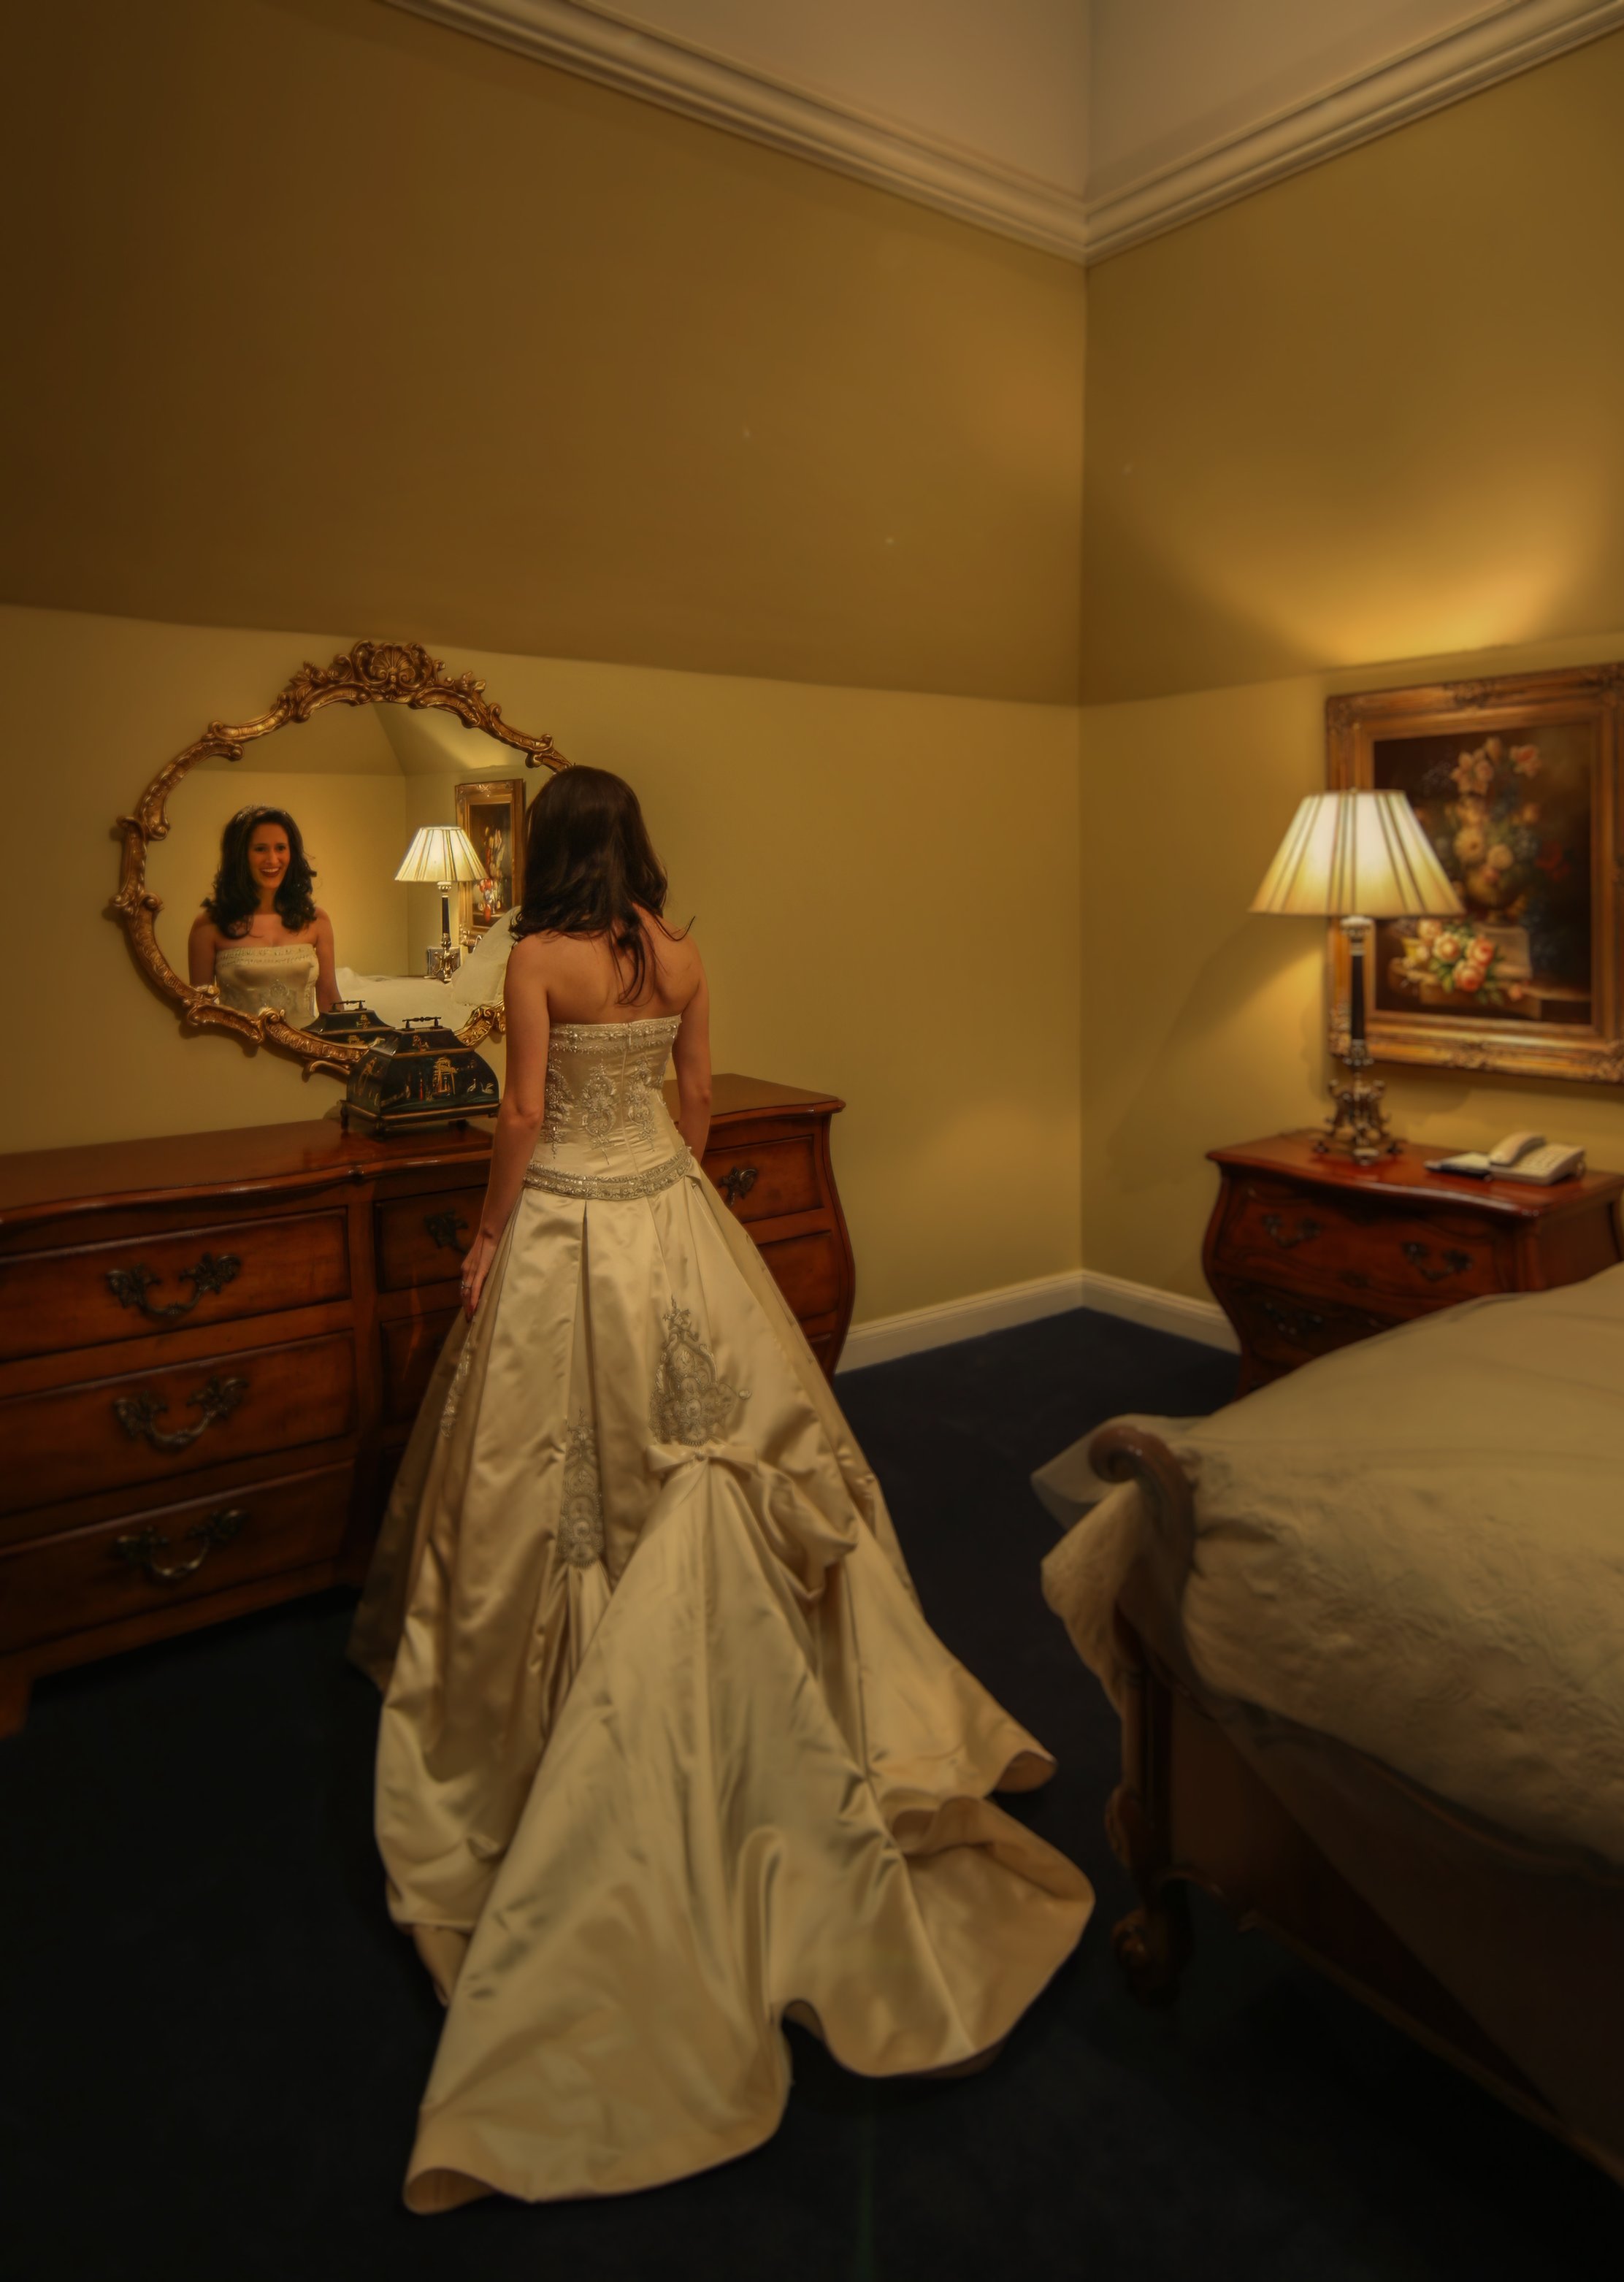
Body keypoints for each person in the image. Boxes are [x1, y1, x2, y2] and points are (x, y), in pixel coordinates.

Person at [348, 765, 1089, 2213]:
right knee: (731, 1450)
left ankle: (550, 1706)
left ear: (541, 850)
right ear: (631, 847)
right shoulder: (674, 950)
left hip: (567, 1217)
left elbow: (512, 1116)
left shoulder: (533, 958)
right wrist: (670, 1196)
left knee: (548, 1482)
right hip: (668, 1213)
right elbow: (698, 1105)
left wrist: (494, 1236)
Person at [188, 805, 336, 1029]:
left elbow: (330, 1000)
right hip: (239, 1056)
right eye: (260, 849)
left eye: (281, 848)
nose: (272, 859)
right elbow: (200, 1015)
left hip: (307, 1054)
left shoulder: (317, 920)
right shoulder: (208, 925)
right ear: (240, 856)